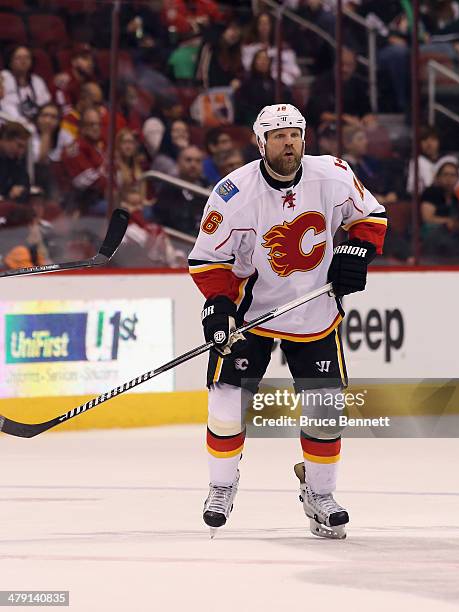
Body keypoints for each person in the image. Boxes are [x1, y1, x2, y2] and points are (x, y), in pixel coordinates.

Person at [188, 104, 387, 538]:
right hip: (251, 314)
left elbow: (370, 217)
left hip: (315, 311)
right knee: (225, 402)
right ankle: (221, 487)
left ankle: (320, 493)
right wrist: (218, 305)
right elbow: (208, 259)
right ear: (260, 143)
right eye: (277, 136)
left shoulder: (333, 175)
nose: (288, 142)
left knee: (325, 405)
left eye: (294, 134)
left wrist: (357, 251)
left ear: (305, 138)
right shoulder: (233, 193)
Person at [306, 47, 375, 129]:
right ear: (335, 64)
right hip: (327, 128)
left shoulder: (358, 83)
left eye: (349, 65)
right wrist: (344, 118)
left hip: (353, 128)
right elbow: (319, 114)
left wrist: (368, 119)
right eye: (342, 64)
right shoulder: (321, 83)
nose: (345, 69)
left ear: (355, 66)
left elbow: (366, 111)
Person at [152, 145, 208, 234]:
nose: (193, 165)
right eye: (188, 160)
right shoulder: (168, 188)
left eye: (198, 161)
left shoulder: (208, 191)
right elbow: (161, 220)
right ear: (178, 163)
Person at [61, 107, 107, 215]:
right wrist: (108, 181)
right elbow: (82, 181)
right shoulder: (75, 147)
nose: (96, 128)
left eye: (98, 124)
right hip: (81, 205)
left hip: (98, 200)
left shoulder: (97, 148)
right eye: (91, 124)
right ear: (81, 127)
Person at [234, 49, 293, 127]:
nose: (263, 62)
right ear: (254, 62)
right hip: (253, 118)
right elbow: (243, 106)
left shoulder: (274, 83)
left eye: (266, 59)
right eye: (260, 59)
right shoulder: (246, 82)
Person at [1, 46, 51, 125]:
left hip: (35, 124)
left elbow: (45, 105)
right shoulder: (3, 78)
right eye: (18, 58)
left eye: (27, 57)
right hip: (8, 125)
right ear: (10, 61)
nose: (23, 61)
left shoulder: (37, 81)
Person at [0, 121, 31, 202]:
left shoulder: (15, 161)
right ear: (5, 138)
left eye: (24, 148)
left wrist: (21, 188)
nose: (21, 152)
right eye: (19, 146)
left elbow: (24, 182)